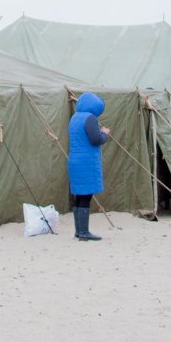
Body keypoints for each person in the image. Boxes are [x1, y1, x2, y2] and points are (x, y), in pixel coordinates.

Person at [67, 92, 110, 241]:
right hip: (86, 161)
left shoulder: (74, 117)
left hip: (74, 160)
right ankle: (84, 232)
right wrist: (105, 134)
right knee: (86, 195)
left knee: (79, 195)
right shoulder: (90, 118)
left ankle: (79, 231)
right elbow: (95, 139)